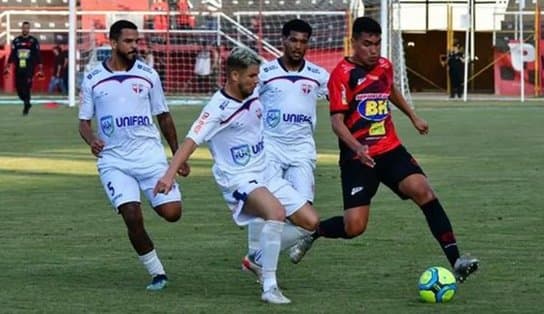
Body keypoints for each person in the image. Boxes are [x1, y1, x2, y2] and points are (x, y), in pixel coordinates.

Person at [291, 17, 479, 283]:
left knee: (423, 191)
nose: (373, 50)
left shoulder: (383, 66)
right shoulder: (342, 75)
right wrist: (357, 147)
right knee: (354, 227)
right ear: (354, 42)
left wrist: (413, 117)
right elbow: (337, 122)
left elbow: (390, 89)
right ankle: (315, 232)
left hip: (390, 150)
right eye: (367, 44)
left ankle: (456, 260)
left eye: (377, 44)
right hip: (358, 158)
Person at [154, 47, 320, 304]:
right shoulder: (217, 108)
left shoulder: (254, 94)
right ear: (234, 76)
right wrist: (169, 175)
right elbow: (191, 140)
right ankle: (269, 286)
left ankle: (257, 259)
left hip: (266, 172)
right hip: (238, 178)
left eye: (258, 76)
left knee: (310, 223)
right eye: (252, 76)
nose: (257, 81)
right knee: (275, 213)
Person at [78, 20, 185, 291]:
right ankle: (158, 273)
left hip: (149, 157)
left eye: (136, 41)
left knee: (172, 213)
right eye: (128, 41)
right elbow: (83, 122)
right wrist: (92, 140)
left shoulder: (148, 75)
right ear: (113, 43)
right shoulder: (92, 78)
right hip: (114, 161)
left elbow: (164, 116)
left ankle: (151, 195)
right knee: (131, 215)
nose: (134, 46)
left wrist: (177, 156)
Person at [244, 19, 329, 267]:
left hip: (302, 150)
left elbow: (340, 99)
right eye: (293, 40)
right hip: (270, 147)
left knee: (303, 214)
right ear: (283, 40)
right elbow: (246, 103)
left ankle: (257, 258)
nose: (298, 46)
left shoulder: (318, 75)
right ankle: (256, 258)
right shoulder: (266, 74)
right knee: (265, 207)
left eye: (303, 41)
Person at [3, 21, 44, 115]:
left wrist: (40, 66)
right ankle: (26, 102)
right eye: (24, 27)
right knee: (19, 88)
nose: (25, 29)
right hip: (19, 67)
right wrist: (8, 66)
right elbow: (12, 54)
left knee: (27, 86)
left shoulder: (33, 41)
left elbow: (38, 54)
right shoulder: (16, 41)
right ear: (21, 28)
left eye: (27, 28)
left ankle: (26, 105)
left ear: (29, 29)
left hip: (29, 67)